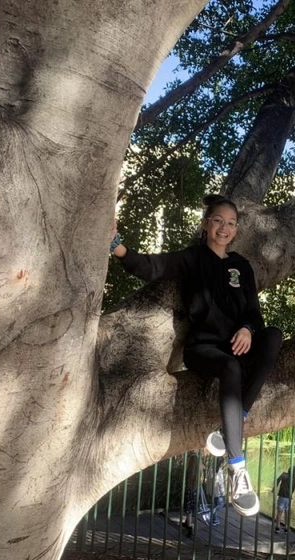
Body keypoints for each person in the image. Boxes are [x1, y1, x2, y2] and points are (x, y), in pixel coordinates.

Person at [111, 194, 283, 516]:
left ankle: (235, 419)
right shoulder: (191, 259)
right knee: (230, 367)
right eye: (218, 220)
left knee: (273, 336)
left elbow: (253, 312)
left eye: (231, 224)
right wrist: (117, 247)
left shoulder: (241, 266)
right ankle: (237, 468)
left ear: (235, 230)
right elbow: (151, 266)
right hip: (204, 349)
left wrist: (247, 328)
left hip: (237, 344)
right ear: (206, 225)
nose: (224, 228)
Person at [274, 466, 295, 534]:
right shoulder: (294, 478)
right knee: (287, 512)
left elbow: (277, 481)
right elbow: (293, 488)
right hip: (289, 497)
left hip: (282, 495)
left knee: (279, 512)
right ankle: (286, 528)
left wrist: (274, 488)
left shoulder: (284, 474)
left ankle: (277, 527)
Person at [210, 460, 226, 526]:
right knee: (220, 504)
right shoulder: (219, 470)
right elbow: (221, 482)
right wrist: (223, 492)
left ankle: (214, 519)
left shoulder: (211, 468)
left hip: (213, 490)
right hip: (218, 491)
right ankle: (214, 518)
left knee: (215, 504)